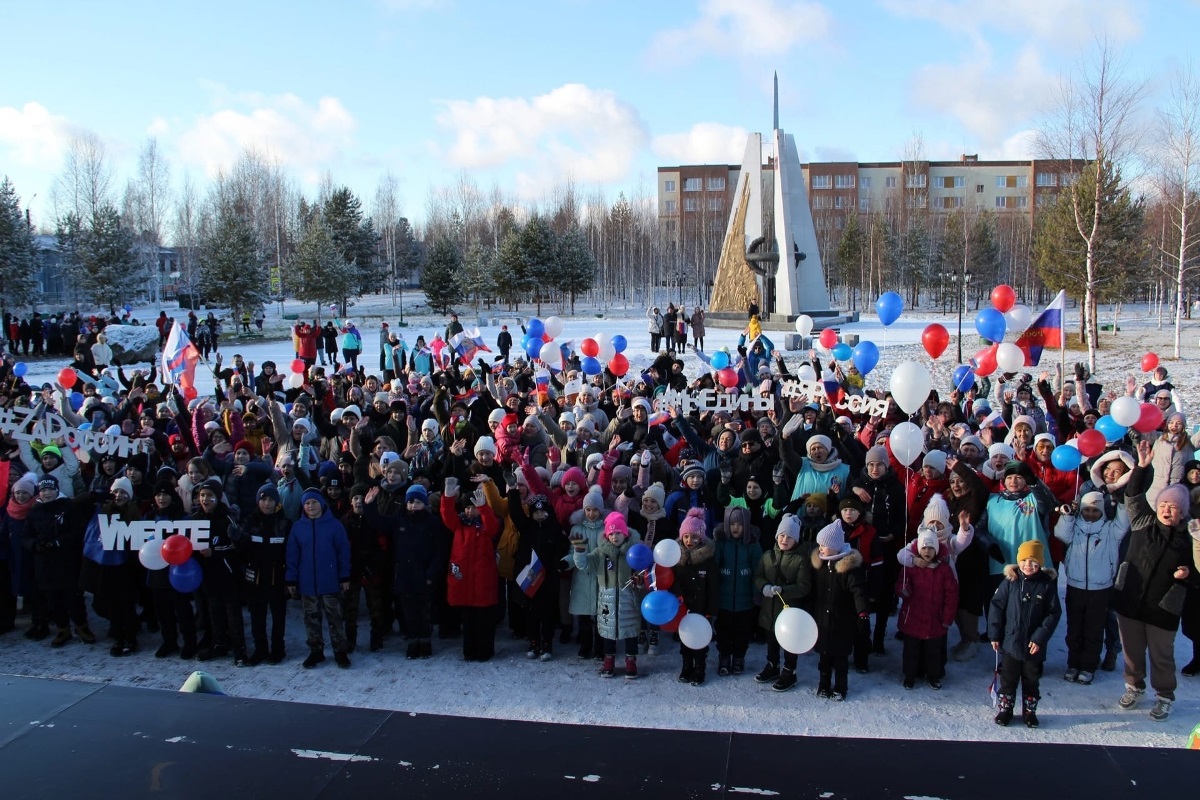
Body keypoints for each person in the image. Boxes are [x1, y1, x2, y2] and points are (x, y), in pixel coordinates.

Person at [1112, 440, 1197, 721]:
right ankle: (1134, 686)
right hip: (1131, 598)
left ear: (1182, 512)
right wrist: (1142, 467)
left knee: (1161, 655)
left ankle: (1164, 695)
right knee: (1132, 651)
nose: (1167, 509)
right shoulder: (1143, 522)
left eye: (1174, 507)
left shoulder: (1189, 539)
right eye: (1164, 504)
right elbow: (1133, 495)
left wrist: (1188, 575)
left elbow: (1199, 570)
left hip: (1164, 606)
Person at [1053, 491, 1128, 685]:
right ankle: (1073, 663)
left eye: (1095, 510)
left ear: (1102, 511)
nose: (1090, 513)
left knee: (1094, 629)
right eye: (1087, 510)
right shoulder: (1074, 527)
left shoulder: (1110, 529)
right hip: (1075, 585)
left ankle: (1088, 665)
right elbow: (1060, 533)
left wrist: (1120, 502)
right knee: (1075, 627)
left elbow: (1124, 522)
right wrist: (1068, 516)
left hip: (1100, 588)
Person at [988, 539, 1062, 728]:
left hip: (1033, 646)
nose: (1028, 566)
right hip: (1011, 642)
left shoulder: (1046, 585)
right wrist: (995, 634)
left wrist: (1039, 638)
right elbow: (996, 607)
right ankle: (1006, 709)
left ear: (1040, 563)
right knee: (1008, 678)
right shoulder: (1010, 582)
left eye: (1033, 562)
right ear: (1018, 561)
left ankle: (1030, 712)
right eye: (1024, 561)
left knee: (1031, 679)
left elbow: (1053, 613)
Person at [286, 488, 353, 669]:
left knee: (335, 617)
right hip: (307, 583)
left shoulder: (334, 525)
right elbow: (292, 555)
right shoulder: (298, 527)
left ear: (321, 504)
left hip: (330, 581)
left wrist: (344, 575)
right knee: (311, 618)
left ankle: (340, 650)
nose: (311, 506)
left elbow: (343, 552)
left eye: (314, 502)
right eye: (307, 504)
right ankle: (316, 651)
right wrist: (291, 580)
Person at [573, 511, 641, 678]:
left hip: (628, 599)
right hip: (607, 599)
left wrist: (639, 579)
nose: (615, 537)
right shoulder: (600, 552)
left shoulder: (635, 551)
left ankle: (631, 662)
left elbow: (643, 570)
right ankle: (608, 661)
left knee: (631, 631)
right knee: (608, 632)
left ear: (625, 533)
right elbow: (584, 564)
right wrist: (579, 551)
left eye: (618, 532)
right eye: (611, 533)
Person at [440, 477, 500, 662]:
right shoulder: (459, 525)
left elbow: (493, 527)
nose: (470, 511)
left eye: (473, 507)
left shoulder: (484, 526)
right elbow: (446, 515)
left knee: (483, 619)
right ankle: (469, 651)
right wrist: (448, 497)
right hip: (464, 579)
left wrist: (484, 508)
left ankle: (485, 651)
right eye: (467, 507)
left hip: (482, 579)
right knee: (468, 620)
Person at [753, 514, 813, 692]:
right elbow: (758, 576)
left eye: (789, 537)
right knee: (771, 639)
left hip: (789, 611)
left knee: (789, 642)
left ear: (795, 539)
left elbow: (804, 587)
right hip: (769, 609)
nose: (784, 539)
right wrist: (763, 586)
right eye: (782, 535)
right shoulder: (767, 556)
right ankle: (772, 665)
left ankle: (789, 671)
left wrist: (783, 590)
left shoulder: (801, 560)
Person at [811, 521, 869, 700]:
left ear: (835, 547)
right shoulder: (820, 566)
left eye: (824, 546)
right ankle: (823, 685)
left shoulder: (849, 570)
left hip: (842, 622)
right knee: (824, 660)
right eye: (819, 545)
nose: (820, 549)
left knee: (841, 660)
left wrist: (862, 613)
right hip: (823, 622)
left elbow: (858, 592)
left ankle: (840, 687)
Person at [896, 527, 959, 690]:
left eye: (931, 548)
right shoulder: (910, 567)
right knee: (911, 651)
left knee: (934, 652)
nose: (927, 551)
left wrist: (947, 618)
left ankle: (933, 676)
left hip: (935, 619)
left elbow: (951, 595)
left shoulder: (944, 570)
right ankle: (909, 676)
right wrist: (903, 589)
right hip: (913, 618)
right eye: (924, 547)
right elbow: (901, 587)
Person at [240, 484, 291, 665]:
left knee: (278, 617)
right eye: (263, 499)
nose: (267, 504)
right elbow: (243, 550)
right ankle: (260, 649)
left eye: (270, 500)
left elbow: (290, 552)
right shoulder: (250, 521)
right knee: (257, 617)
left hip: (277, 577)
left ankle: (278, 649)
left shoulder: (284, 523)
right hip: (255, 577)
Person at [713, 506, 761, 676]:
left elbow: (758, 571)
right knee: (723, 632)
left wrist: (756, 593)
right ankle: (724, 657)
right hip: (724, 601)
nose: (735, 528)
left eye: (740, 524)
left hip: (745, 601)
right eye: (732, 524)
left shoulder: (753, 546)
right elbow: (714, 568)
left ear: (746, 526)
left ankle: (739, 658)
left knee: (742, 632)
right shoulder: (720, 544)